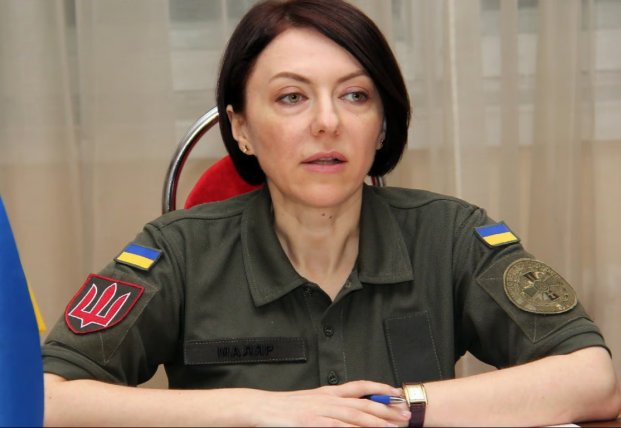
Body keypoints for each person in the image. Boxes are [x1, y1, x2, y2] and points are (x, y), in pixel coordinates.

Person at [42, 0, 621, 426]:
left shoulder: (451, 234)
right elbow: (41, 395)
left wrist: (396, 406)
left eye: (355, 95)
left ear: (382, 124)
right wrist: (259, 410)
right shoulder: (176, 251)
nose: (327, 122)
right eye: (291, 97)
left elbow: (593, 376)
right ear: (241, 128)